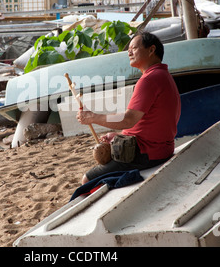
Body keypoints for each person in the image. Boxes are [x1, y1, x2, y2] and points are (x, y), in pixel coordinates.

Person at [76, 31, 181, 185]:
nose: (129, 52)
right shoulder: (163, 75)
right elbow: (144, 122)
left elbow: (128, 119)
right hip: (162, 148)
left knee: (87, 180)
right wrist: (119, 135)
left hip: (147, 153)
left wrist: (92, 117)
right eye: (128, 49)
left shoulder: (149, 80)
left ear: (151, 50)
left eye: (134, 48)